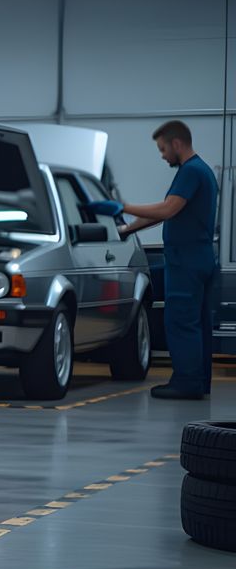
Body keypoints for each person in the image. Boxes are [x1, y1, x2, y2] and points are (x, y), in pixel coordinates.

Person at [88, 120, 218, 400]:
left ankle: (186, 383)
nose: (162, 156)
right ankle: (199, 381)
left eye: (162, 149)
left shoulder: (191, 171)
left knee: (181, 322)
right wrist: (125, 229)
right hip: (201, 258)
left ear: (176, 144)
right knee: (197, 323)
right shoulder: (202, 171)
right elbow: (164, 213)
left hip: (186, 261)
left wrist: (122, 206)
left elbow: (167, 209)